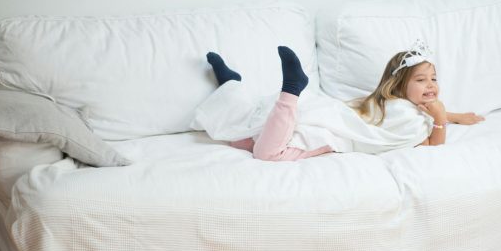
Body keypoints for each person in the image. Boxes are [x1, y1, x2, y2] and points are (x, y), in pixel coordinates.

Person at [196, 41, 483, 161]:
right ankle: (291, 89)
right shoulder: (408, 118)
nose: (431, 85)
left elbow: (424, 109)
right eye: (421, 80)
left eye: (433, 78)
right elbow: (433, 145)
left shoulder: (387, 103)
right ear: (399, 85)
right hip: (326, 135)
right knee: (267, 154)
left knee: (242, 137)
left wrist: (451, 115)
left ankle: (231, 84)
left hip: (324, 112)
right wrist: (443, 120)